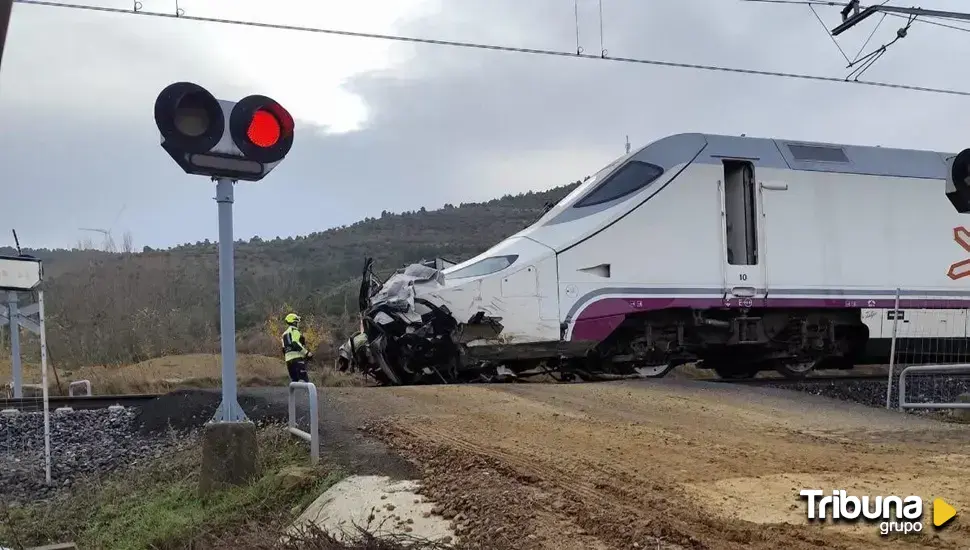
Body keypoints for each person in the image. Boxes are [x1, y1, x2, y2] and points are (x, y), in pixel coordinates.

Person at [281, 312, 312, 382]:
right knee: (305, 381)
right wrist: (307, 353)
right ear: (294, 322)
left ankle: (295, 393)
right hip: (297, 360)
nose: (298, 324)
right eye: (297, 322)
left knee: (294, 381)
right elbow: (295, 343)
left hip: (288, 361)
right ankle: (308, 393)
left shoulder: (284, 334)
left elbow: (283, 349)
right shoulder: (295, 331)